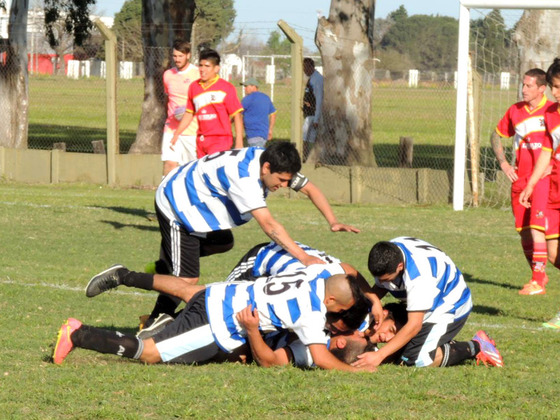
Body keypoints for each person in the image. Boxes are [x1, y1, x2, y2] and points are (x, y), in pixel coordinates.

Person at [134, 142, 360, 325]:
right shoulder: (244, 179)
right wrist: (304, 257)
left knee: (223, 242)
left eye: (288, 181)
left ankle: (168, 264)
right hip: (177, 204)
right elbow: (269, 225)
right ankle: (156, 319)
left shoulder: (270, 160)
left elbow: (310, 188)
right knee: (187, 278)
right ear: (266, 168)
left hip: (198, 205)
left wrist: (333, 221)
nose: (284, 185)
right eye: (281, 180)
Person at [55, 264, 373, 372]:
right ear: (330, 301)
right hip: (217, 325)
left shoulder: (318, 272)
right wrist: (354, 372)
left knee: (184, 289)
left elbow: (340, 270)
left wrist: (367, 297)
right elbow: (321, 357)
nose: (339, 314)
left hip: (221, 294)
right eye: (341, 309)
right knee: (150, 353)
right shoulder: (311, 312)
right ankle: (79, 333)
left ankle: (127, 275)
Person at [352, 237, 504, 369]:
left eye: (386, 279)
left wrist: (379, 356)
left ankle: (478, 346)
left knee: (415, 359)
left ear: (400, 266)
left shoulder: (419, 278)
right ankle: (436, 344)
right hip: (432, 296)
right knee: (403, 351)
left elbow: (414, 325)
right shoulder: (389, 252)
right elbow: (379, 288)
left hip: (449, 306)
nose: (382, 283)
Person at [491, 68, 552, 295]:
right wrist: (504, 164)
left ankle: (537, 280)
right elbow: (496, 135)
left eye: (528, 86)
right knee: (524, 232)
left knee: (538, 228)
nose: (523, 89)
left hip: (543, 179)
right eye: (523, 85)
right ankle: (538, 274)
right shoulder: (515, 111)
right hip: (520, 180)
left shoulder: (552, 111)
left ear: (541, 89)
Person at [520, 58, 560, 327]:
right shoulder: (551, 114)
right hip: (555, 189)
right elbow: (547, 150)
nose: (555, 93)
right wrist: (532, 184)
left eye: (559, 87)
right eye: (554, 87)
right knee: (555, 254)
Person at [170, 49, 243, 158]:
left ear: (216, 69)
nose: (202, 69)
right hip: (201, 140)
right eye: (200, 65)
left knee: (214, 171)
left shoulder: (226, 88)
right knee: (202, 173)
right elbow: (189, 113)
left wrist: (239, 141)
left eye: (207, 66)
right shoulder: (194, 87)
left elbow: (237, 115)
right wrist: (176, 134)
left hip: (220, 140)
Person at [161, 40, 200, 176]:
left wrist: (187, 112)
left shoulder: (197, 74)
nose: (177, 59)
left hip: (192, 129)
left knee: (193, 167)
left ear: (188, 55)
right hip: (171, 128)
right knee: (169, 163)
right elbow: (168, 98)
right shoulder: (168, 75)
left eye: (180, 56)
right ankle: (165, 194)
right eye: (175, 56)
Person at [239, 77, 277, 148]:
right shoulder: (266, 98)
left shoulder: (247, 99)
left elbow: (238, 114)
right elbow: (273, 114)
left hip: (253, 134)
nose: (245, 89)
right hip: (264, 134)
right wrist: (270, 129)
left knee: (255, 155)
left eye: (246, 86)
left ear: (253, 86)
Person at [302, 58, 323, 162]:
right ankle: (307, 158)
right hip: (309, 113)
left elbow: (319, 99)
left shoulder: (317, 79)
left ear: (311, 67)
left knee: (307, 139)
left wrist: (316, 118)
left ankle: (308, 159)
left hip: (313, 114)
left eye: (306, 67)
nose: (304, 70)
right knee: (305, 138)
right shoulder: (311, 78)